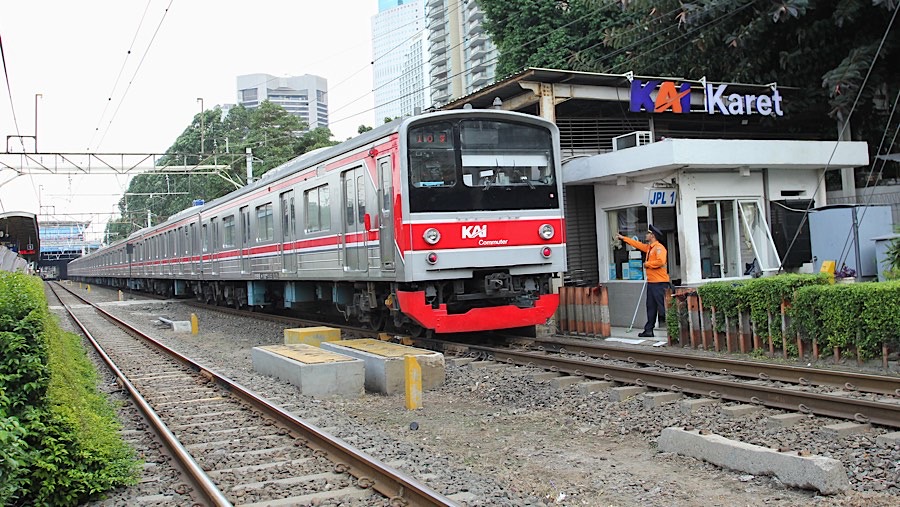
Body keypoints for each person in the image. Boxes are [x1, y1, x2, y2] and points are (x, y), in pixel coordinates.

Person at [616, 225, 669, 337]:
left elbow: (660, 261)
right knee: (651, 307)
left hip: (659, 283)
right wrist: (623, 238)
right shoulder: (650, 248)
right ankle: (649, 330)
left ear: (652, 236)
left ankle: (674, 330)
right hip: (652, 283)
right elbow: (638, 245)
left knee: (663, 308)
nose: (646, 235)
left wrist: (647, 264)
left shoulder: (659, 248)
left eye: (648, 233)